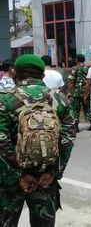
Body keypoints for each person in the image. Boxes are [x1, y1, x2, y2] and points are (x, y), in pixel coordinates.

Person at [0, 54, 76, 225]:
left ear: (15, 73)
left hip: (11, 182)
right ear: (42, 75)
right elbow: (68, 138)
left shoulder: (4, 99)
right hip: (46, 177)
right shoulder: (59, 99)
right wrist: (53, 172)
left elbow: (1, 143)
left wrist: (18, 176)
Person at [67, 54, 91, 133]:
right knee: (88, 108)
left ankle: (75, 126)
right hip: (86, 91)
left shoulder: (74, 68)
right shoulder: (87, 68)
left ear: (76, 60)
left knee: (75, 109)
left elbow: (71, 81)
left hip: (77, 92)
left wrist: (69, 92)